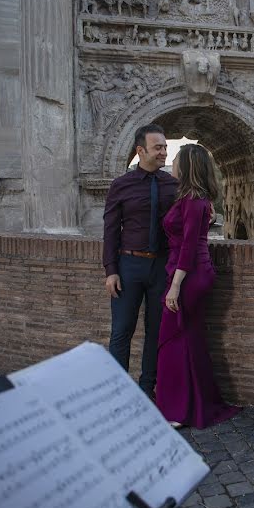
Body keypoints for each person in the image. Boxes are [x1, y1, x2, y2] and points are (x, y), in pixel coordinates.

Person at [157, 144, 241, 428]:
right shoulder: (193, 199)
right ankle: (189, 405)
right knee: (186, 337)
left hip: (190, 275)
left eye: (177, 160)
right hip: (187, 272)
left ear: (188, 166)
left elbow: (189, 247)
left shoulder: (194, 201)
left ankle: (181, 410)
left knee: (175, 338)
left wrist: (175, 286)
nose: (173, 163)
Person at [103, 124, 177, 401]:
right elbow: (110, 229)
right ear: (140, 150)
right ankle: (119, 392)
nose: (163, 152)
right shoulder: (121, 185)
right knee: (121, 331)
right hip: (128, 266)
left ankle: (147, 390)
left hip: (162, 268)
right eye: (158, 147)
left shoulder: (173, 185)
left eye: (165, 147)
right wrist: (110, 270)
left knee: (155, 332)